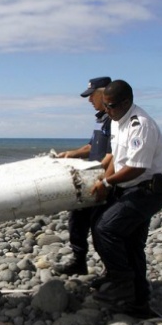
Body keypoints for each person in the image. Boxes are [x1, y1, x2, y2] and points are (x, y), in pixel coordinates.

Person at [90, 80, 162, 316]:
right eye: (105, 105)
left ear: (126, 102)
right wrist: (106, 182)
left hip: (148, 190)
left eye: (111, 106)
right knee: (130, 243)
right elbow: (117, 157)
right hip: (130, 188)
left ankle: (122, 283)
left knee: (106, 229)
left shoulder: (140, 125)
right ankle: (139, 302)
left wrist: (107, 182)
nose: (107, 110)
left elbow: (136, 167)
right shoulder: (117, 120)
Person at [53, 76, 112, 276]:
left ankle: (111, 271)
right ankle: (79, 261)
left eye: (92, 96)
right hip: (91, 177)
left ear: (104, 94)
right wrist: (71, 154)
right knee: (77, 220)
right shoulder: (100, 119)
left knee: (100, 227)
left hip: (104, 179)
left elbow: (114, 155)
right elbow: (91, 147)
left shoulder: (114, 120)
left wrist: (104, 180)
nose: (89, 100)